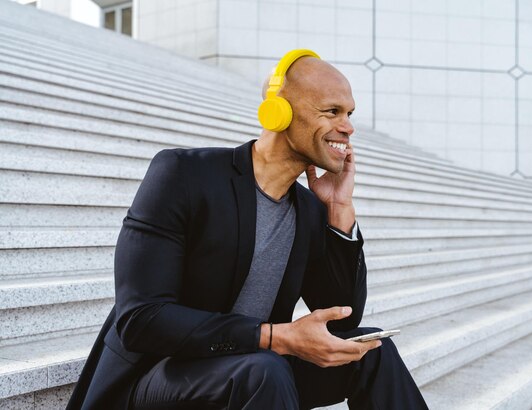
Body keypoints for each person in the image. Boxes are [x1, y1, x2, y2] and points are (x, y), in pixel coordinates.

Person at [68, 49, 428, 409]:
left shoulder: (308, 209)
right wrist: (273, 336)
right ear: (280, 111)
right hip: (154, 378)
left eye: (349, 114)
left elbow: (343, 312)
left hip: (252, 369)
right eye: (332, 111)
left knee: (372, 352)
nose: (348, 127)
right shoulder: (183, 174)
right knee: (264, 368)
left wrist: (339, 211)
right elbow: (141, 319)